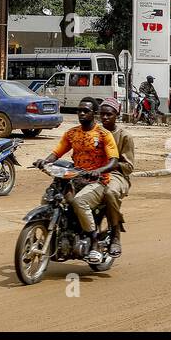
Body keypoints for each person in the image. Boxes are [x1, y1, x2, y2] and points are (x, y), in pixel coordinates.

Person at [33, 98, 118, 264]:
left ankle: (93, 242)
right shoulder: (72, 133)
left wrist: (97, 171)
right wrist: (45, 161)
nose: (81, 113)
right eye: (79, 110)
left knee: (79, 202)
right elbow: (57, 152)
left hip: (98, 181)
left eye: (86, 111)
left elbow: (113, 161)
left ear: (94, 114)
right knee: (48, 199)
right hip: (76, 178)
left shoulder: (103, 135)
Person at [98, 99, 134, 257]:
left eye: (109, 114)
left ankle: (115, 234)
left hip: (117, 176)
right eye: (102, 114)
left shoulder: (125, 136)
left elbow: (129, 166)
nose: (105, 118)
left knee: (110, 193)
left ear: (117, 115)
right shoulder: (94, 132)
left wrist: (111, 165)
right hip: (93, 173)